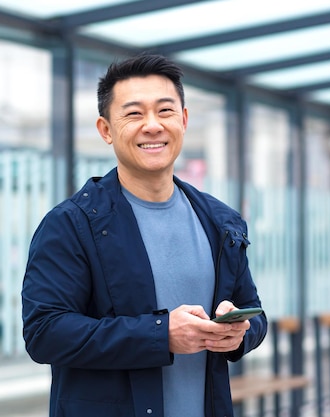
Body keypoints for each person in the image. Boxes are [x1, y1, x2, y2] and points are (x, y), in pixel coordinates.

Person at [21, 53, 267, 417]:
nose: (152, 126)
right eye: (134, 113)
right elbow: (45, 332)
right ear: (106, 129)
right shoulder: (71, 224)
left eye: (165, 111)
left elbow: (256, 315)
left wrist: (237, 333)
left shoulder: (220, 221)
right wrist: (160, 333)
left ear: (183, 120)